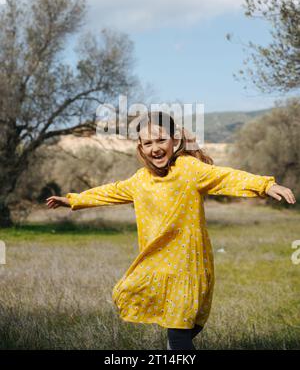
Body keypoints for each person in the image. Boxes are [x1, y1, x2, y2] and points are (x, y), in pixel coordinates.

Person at [46, 111, 296, 350]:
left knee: (184, 330)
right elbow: (110, 191)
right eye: (148, 143)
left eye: (161, 140)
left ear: (175, 141)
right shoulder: (140, 180)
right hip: (158, 268)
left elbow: (226, 177)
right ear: (141, 148)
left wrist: (264, 185)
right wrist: (74, 200)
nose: (155, 148)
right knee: (177, 332)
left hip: (189, 267)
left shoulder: (189, 170)